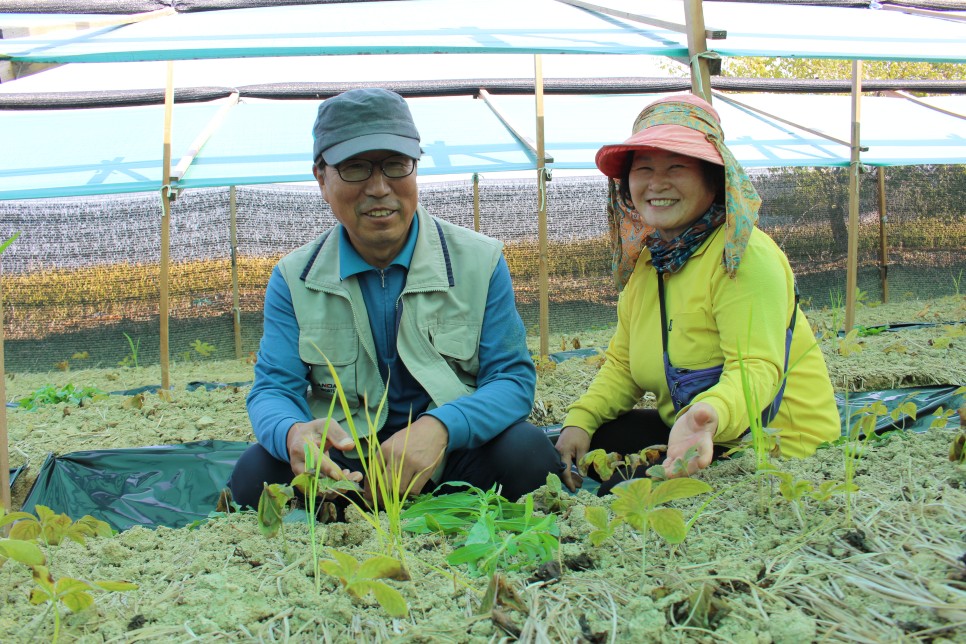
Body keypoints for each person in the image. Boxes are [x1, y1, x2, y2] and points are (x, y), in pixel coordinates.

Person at [229, 88, 562, 509]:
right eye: (355, 169)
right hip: (349, 463)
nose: (380, 188)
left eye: (395, 165)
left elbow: (512, 380)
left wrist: (441, 427)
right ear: (321, 178)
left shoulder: (480, 262)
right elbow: (273, 388)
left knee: (529, 455)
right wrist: (294, 433)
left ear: (415, 169)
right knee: (254, 476)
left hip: (451, 452)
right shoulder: (295, 278)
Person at [555, 93, 839, 494]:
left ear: (713, 176)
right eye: (644, 168)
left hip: (772, 444)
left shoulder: (742, 256)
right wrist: (580, 421)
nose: (657, 183)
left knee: (620, 495)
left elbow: (756, 369)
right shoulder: (650, 265)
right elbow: (622, 364)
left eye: (676, 166)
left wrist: (709, 413)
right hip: (689, 432)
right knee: (568, 452)